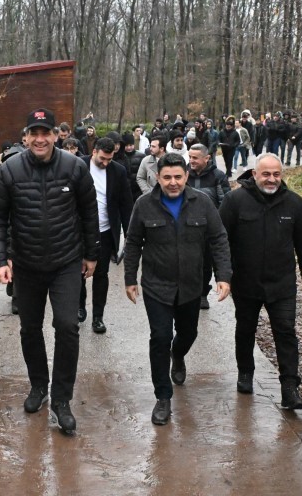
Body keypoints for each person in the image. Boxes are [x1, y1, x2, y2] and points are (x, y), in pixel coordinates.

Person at [0, 108, 98, 436]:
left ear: (56, 135)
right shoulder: (9, 171)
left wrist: (92, 254)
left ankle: (62, 399)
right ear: (26, 136)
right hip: (26, 264)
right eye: (34, 133)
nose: (40, 138)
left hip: (66, 262)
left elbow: (89, 211)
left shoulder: (74, 167)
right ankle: (39, 385)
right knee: (29, 329)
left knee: (67, 326)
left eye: (45, 132)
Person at [123, 154, 231, 426]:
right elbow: (133, 242)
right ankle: (163, 396)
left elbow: (218, 239)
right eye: (167, 177)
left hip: (191, 286)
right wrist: (129, 278)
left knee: (187, 333)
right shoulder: (144, 205)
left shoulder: (202, 203)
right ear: (157, 178)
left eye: (178, 177)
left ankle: (179, 354)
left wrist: (224, 276)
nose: (173, 183)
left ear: (185, 176)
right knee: (159, 337)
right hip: (157, 286)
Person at [219, 153, 302, 409]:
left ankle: (289, 387)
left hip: (281, 283)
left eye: (276, 174)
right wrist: (222, 275)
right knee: (246, 328)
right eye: (266, 174)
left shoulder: (293, 203)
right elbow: (220, 240)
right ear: (254, 174)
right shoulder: (234, 200)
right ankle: (245, 372)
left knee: (285, 332)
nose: (271, 179)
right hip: (245, 282)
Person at [78, 137, 135, 332]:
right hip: (79, 231)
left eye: (109, 159)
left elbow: (126, 204)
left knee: (101, 275)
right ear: (94, 151)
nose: (105, 163)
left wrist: (129, 234)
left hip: (105, 231)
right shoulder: (79, 165)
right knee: (78, 273)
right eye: (102, 158)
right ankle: (79, 306)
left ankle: (98, 317)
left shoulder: (118, 171)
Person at [187, 143, 232, 310]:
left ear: (207, 158)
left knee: (206, 263)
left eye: (195, 158)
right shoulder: (184, 174)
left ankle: (203, 294)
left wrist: (216, 224)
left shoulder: (218, 176)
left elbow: (225, 201)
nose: (191, 161)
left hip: (208, 229)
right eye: (190, 157)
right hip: (187, 227)